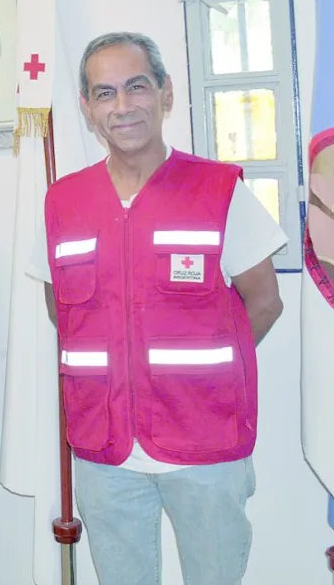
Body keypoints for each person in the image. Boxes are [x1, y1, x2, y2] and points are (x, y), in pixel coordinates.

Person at [31, 32, 286, 585]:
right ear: (86, 108)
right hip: (105, 450)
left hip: (205, 442)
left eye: (136, 87)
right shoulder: (62, 203)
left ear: (166, 94)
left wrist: (199, 378)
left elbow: (264, 304)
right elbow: (63, 312)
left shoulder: (219, 190)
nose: (122, 106)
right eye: (104, 93)